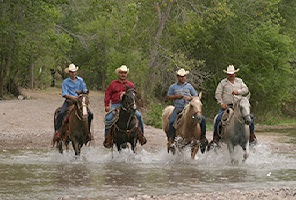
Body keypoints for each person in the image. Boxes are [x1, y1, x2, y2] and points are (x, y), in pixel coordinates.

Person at [208, 65, 257, 148]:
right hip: (227, 106)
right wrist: (221, 103)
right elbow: (217, 94)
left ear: (235, 74)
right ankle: (216, 138)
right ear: (227, 74)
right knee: (219, 118)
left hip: (238, 105)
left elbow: (246, 89)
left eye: (232, 73)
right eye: (230, 74)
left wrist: (238, 91)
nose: (231, 75)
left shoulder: (240, 81)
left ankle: (251, 136)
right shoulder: (223, 83)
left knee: (250, 117)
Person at [103, 65, 147, 148]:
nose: (123, 75)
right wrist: (106, 105)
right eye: (121, 73)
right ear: (118, 73)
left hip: (128, 105)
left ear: (127, 74)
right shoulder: (113, 84)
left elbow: (135, 95)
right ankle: (108, 139)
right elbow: (108, 94)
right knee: (108, 118)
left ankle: (141, 136)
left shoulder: (130, 85)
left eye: (125, 73)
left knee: (139, 116)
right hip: (116, 104)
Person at [166, 68, 208, 153]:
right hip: (178, 108)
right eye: (180, 76)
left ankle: (202, 138)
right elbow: (169, 97)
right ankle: (171, 140)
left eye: (183, 76)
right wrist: (177, 97)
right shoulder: (173, 87)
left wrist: (190, 98)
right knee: (172, 121)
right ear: (177, 77)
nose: (182, 78)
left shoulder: (189, 86)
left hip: (189, 108)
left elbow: (195, 96)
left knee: (202, 119)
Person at [54, 63, 93, 142]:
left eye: (74, 71)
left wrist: (83, 93)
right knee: (61, 113)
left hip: (80, 101)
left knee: (90, 114)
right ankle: (58, 131)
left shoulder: (80, 80)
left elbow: (84, 90)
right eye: (71, 72)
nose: (73, 73)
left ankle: (88, 132)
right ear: (69, 72)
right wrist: (73, 97)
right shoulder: (66, 82)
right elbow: (64, 94)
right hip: (69, 101)